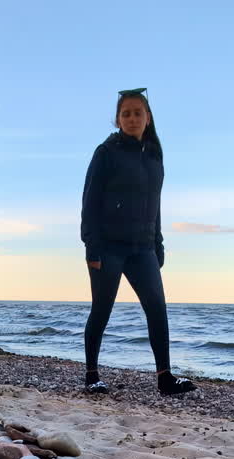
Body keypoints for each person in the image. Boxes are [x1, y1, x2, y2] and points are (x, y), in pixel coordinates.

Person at [80, 88, 196, 396]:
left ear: (148, 117)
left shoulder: (155, 154)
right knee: (102, 309)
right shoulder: (106, 153)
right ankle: (92, 375)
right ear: (117, 120)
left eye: (137, 113)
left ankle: (164, 378)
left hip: (143, 247)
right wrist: (91, 246)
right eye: (126, 113)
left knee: (157, 308)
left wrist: (157, 243)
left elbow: (155, 202)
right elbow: (90, 202)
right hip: (108, 246)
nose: (132, 118)